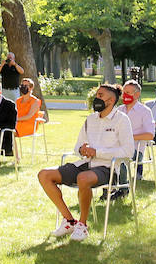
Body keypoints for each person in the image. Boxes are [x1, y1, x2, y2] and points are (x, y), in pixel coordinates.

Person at [37, 84, 135, 242]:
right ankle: (69, 221)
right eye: (97, 94)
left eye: (100, 95)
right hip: (84, 164)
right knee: (44, 175)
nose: (96, 98)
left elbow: (128, 151)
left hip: (108, 168)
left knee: (83, 178)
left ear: (110, 100)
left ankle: (82, 225)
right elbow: (77, 146)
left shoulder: (122, 120)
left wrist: (98, 152)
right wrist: (82, 150)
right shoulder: (91, 119)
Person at [118, 79, 155, 188]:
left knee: (120, 160)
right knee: (103, 156)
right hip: (117, 147)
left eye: (128, 93)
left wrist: (129, 138)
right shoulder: (119, 110)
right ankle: (107, 189)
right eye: (124, 92)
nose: (125, 95)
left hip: (135, 150)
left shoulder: (145, 111)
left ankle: (123, 190)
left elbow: (150, 135)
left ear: (137, 94)